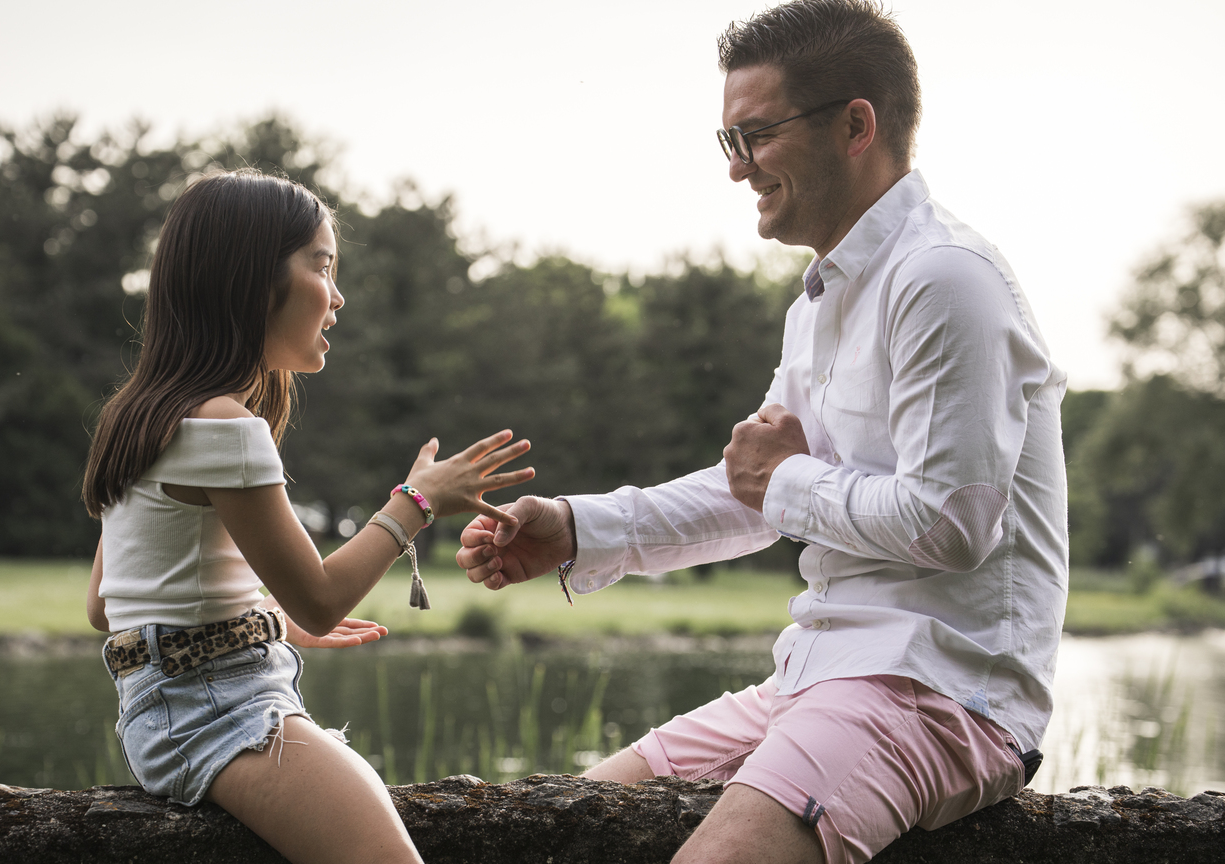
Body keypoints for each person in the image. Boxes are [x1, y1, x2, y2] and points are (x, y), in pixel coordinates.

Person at [456, 2, 1068, 863]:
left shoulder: (944, 281)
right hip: (811, 679)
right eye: (728, 143)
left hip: (935, 690)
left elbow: (952, 522)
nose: (738, 169)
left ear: (856, 125)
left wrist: (784, 480)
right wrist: (574, 529)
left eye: (757, 136)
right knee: (566, 829)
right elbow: (754, 493)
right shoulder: (817, 307)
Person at [82, 168, 533, 864]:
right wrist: (417, 503)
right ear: (252, 281)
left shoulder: (137, 417)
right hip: (219, 712)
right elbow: (321, 601)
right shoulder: (225, 428)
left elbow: (105, 606)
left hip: (163, 712)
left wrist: (257, 624)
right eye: (321, 266)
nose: (337, 295)